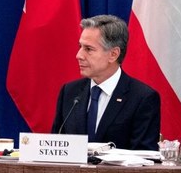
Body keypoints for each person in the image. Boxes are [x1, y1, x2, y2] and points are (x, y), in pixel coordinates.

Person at [51, 15, 160, 150]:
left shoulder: (142, 98)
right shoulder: (70, 92)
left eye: (88, 49)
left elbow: (144, 157)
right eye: (80, 46)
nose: (79, 55)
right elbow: (55, 148)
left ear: (113, 54)